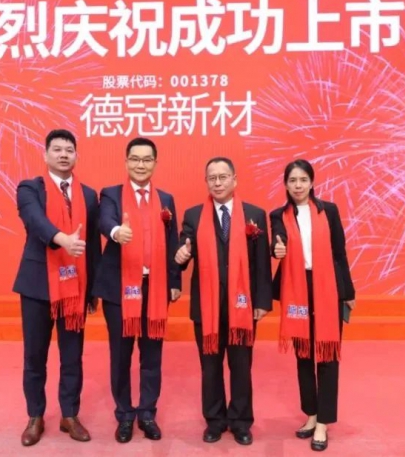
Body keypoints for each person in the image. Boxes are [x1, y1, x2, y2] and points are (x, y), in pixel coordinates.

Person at [175, 157, 273, 446]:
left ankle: (241, 422)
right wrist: (181, 256)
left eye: (223, 177)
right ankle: (215, 420)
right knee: (210, 367)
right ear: (206, 182)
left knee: (241, 367)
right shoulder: (194, 215)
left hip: (243, 305)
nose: (217, 183)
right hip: (207, 307)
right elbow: (183, 250)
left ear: (234, 179)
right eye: (212, 178)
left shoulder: (255, 214)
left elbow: (262, 263)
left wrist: (263, 301)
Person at [12, 129, 101, 446]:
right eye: (57, 149)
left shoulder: (88, 195)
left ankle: (69, 415)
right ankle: (35, 416)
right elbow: (34, 220)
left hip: (75, 287)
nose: (64, 154)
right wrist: (63, 239)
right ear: (46, 154)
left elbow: (92, 244)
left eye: (69, 150)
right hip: (38, 286)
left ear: (77, 156)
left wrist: (93, 290)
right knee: (35, 356)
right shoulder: (30, 188)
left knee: (72, 356)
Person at [92, 137, 182, 443]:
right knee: (120, 355)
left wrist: (175, 281)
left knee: (152, 355)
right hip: (119, 289)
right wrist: (117, 231)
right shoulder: (112, 194)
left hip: (154, 288)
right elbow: (105, 221)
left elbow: (173, 241)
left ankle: (147, 413)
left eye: (146, 159)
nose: (140, 165)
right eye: (135, 159)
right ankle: (124, 414)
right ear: (126, 161)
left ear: (155, 163)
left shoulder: (166, 199)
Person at [270, 159, 356, 452]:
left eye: (303, 180)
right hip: (297, 287)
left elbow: (340, 252)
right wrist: (277, 249)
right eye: (292, 180)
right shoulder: (278, 215)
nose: (298, 186)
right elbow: (276, 243)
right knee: (304, 355)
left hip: (328, 287)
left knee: (328, 355)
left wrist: (348, 291)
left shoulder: (328, 211)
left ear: (312, 182)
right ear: (285, 184)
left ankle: (324, 422)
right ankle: (311, 414)